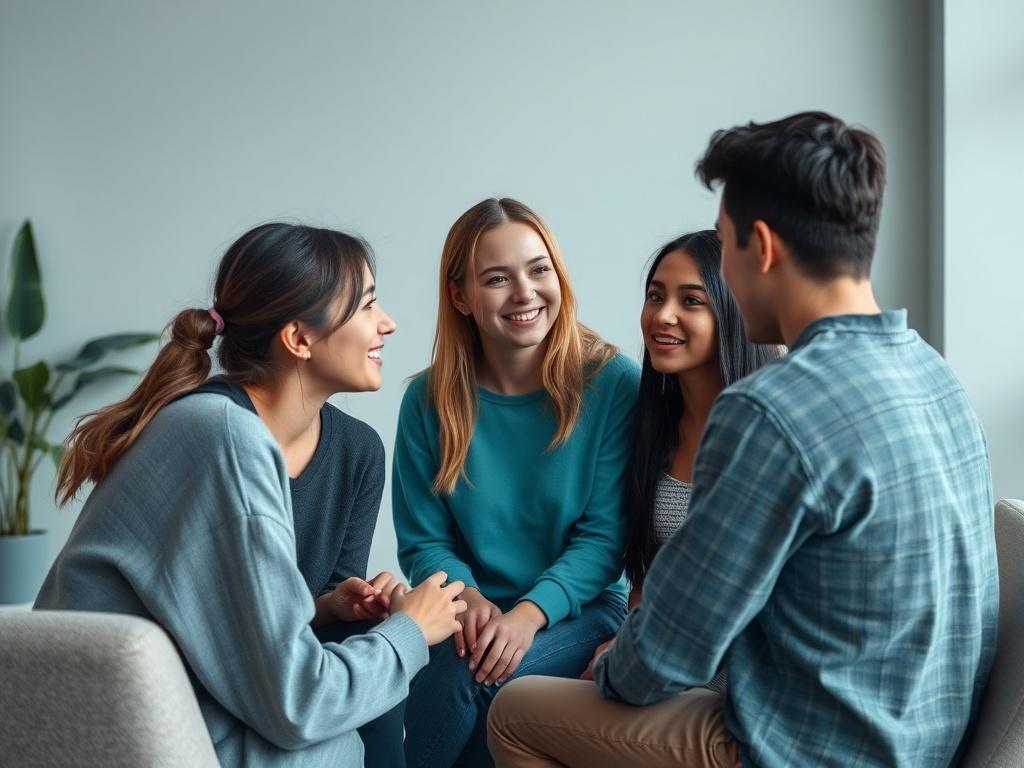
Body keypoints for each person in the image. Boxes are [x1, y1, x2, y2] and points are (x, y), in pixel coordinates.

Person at [488, 112, 998, 768]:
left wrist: (612, 670)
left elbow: (671, 651)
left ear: (760, 246)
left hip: (803, 749)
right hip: (931, 744)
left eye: (724, 246)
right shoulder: (936, 375)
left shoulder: (770, 408)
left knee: (518, 711)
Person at [36, 222, 467, 768]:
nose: (387, 324)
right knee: (348, 725)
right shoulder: (222, 435)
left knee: (368, 666)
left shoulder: (335, 448)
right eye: (366, 306)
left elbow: (245, 633)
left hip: (191, 701)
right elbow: (297, 704)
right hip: (122, 728)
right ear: (299, 339)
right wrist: (411, 630)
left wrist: (326, 608)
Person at [393, 198, 639, 767]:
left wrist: (527, 615)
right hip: (471, 611)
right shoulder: (427, 401)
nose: (525, 293)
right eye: (497, 279)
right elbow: (424, 540)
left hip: (579, 611)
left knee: (476, 684)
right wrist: (471, 599)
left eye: (539, 269)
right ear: (461, 297)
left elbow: (605, 540)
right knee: (441, 678)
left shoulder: (613, 383)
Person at [579, 230, 781, 690]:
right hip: (656, 669)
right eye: (655, 296)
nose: (662, 315)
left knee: (517, 713)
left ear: (733, 312)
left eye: (691, 301)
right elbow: (647, 577)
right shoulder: (650, 427)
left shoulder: (767, 429)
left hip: (739, 689)